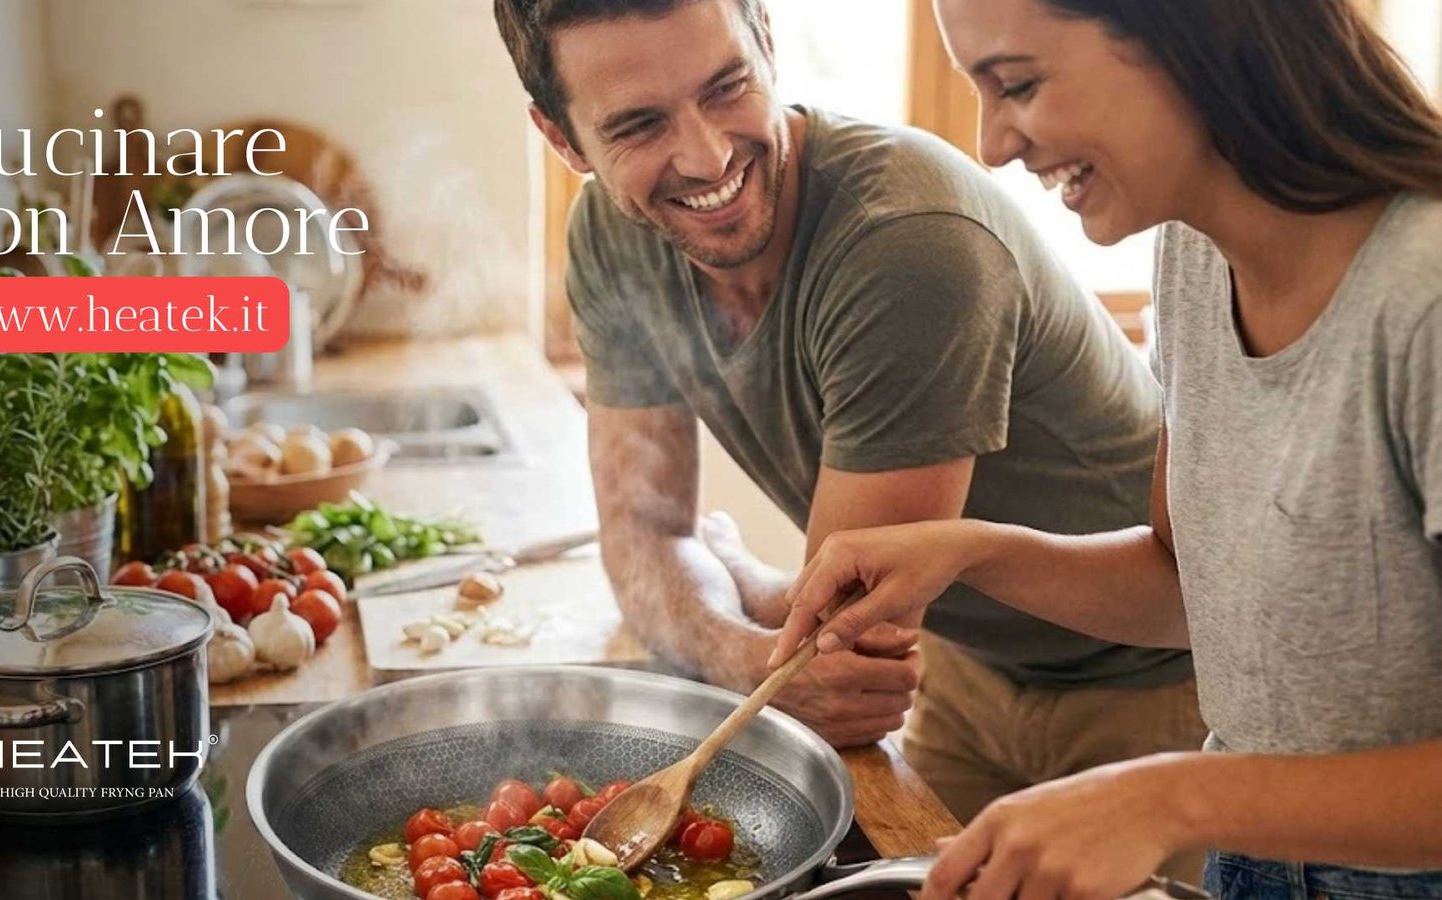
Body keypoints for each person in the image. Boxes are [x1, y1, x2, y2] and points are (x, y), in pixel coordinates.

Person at [491, 0, 1207, 840]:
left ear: (767, 40)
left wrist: (743, 591)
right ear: (564, 140)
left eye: (726, 87)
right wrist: (738, 643)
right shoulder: (614, 237)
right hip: (967, 671)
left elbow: (833, 645)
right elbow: (645, 534)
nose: (707, 153)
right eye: (640, 125)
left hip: (1161, 692)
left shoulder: (908, 245)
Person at [771, 0, 1442, 897]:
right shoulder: (1194, 257)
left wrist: (1172, 799)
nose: (993, 144)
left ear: (1194, 31)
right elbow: (1189, 586)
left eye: (1018, 84)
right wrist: (972, 552)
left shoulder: (1424, 296)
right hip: (1266, 865)